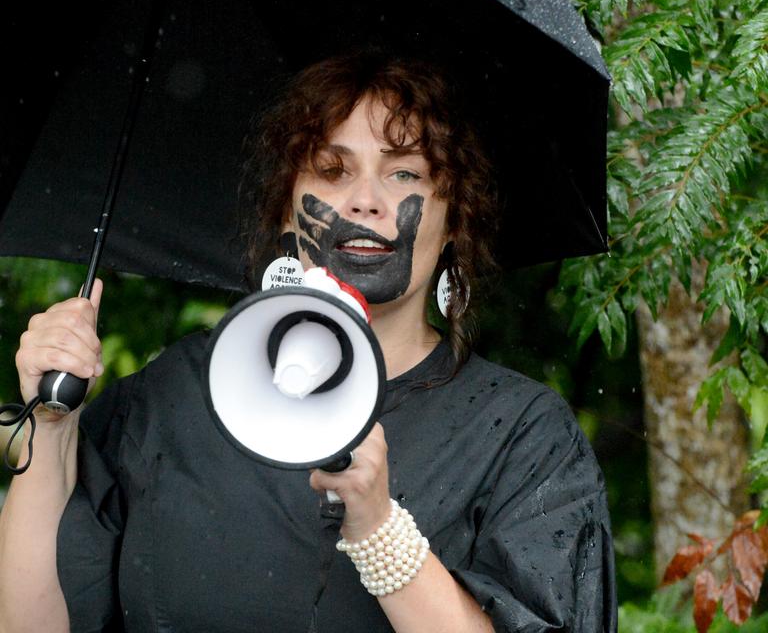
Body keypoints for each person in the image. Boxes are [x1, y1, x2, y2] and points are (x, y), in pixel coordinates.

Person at [0, 52, 617, 633]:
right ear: (287, 210)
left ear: (454, 216)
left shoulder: (521, 434)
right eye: (332, 169)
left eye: (405, 171)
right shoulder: (169, 397)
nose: (367, 201)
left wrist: (379, 530)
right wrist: (53, 428)